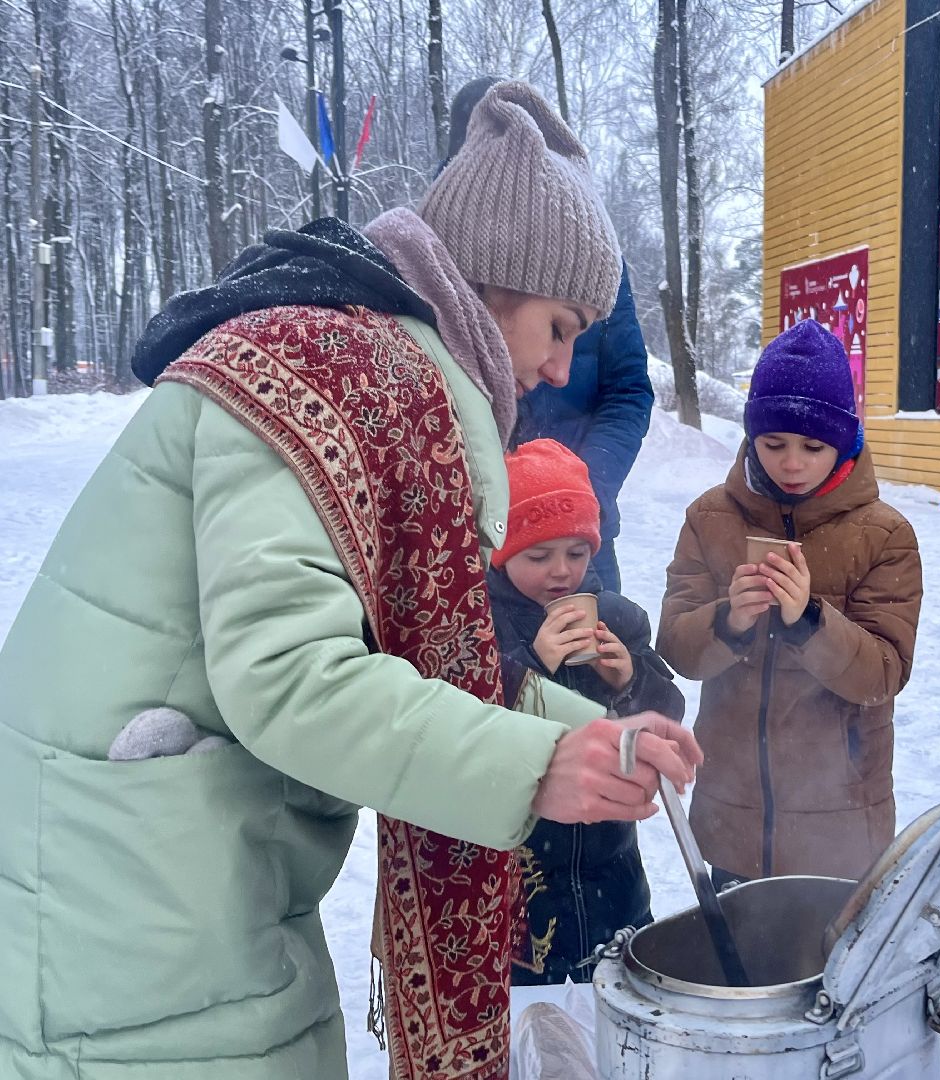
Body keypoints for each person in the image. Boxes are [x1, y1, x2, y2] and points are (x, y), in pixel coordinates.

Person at [0, 81, 700, 1080]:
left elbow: (435, 660)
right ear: (496, 282)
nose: (560, 369)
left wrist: (586, 731)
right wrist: (536, 764)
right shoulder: (317, 367)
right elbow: (288, 675)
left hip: (185, 856)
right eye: (560, 326)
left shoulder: (370, 379)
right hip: (127, 886)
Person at [658, 319, 922, 887]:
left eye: (813, 446)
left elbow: (883, 674)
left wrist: (810, 621)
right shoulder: (710, 518)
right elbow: (677, 648)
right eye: (773, 444)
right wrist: (729, 620)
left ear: (844, 442)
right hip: (733, 813)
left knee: (830, 945)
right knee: (738, 943)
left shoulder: (884, 535)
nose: (792, 463)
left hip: (842, 818)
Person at [488, 438, 685, 985]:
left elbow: (666, 717)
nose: (561, 572)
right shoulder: (482, 625)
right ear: (502, 553)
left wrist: (629, 680)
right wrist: (530, 665)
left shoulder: (618, 618)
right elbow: (471, 724)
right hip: (522, 870)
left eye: (577, 553)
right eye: (539, 556)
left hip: (611, 860)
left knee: (616, 997)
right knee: (532, 1009)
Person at [449, 75, 655, 592]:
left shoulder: (595, 264)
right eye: (558, 328)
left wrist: (581, 487)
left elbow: (629, 391)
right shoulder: (448, 271)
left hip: (580, 530)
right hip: (484, 541)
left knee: (603, 639)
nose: (557, 371)